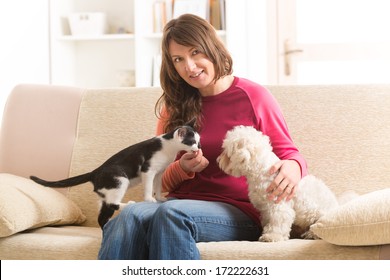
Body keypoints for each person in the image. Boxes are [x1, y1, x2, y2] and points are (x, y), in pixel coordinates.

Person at [98, 14, 307, 260]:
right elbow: (158, 181)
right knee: (128, 216)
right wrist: (182, 169)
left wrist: (294, 167)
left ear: (212, 47)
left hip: (238, 209)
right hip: (178, 203)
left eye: (195, 52)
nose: (189, 65)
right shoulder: (174, 106)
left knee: (172, 214)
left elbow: (289, 153)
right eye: (178, 59)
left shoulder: (254, 96)